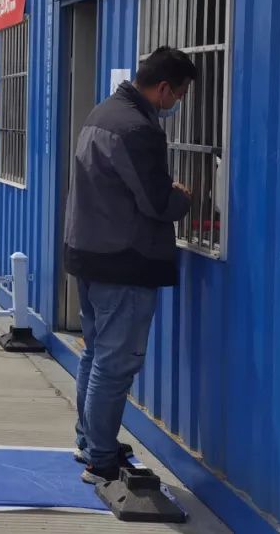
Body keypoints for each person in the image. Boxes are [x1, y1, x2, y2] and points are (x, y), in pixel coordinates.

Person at [64, 46, 196, 484]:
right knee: (115, 363)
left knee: (96, 354)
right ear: (164, 88)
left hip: (89, 252)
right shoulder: (138, 128)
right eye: (180, 94)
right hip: (123, 261)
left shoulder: (102, 113)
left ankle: (90, 441)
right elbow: (156, 202)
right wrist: (182, 196)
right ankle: (101, 459)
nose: (177, 104)